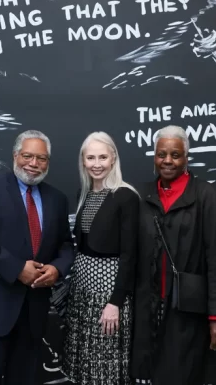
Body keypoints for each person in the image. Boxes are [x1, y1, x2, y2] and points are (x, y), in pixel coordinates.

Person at [0, 130, 75, 385]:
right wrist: (16, 268)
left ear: (48, 162)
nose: (33, 164)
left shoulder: (57, 199)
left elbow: (66, 245)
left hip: (33, 310)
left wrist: (57, 269)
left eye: (41, 159)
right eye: (27, 156)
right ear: (15, 155)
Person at [131, 125, 216, 385]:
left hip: (187, 311)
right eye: (161, 154)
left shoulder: (207, 196)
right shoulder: (140, 197)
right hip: (146, 309)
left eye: (175, 155)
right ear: (154, 157)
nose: (167, 161)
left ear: (186, 158)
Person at [60, 132, 139, 385]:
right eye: (90, 157)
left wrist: (115, 302)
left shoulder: (125, 196)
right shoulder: (83, 194)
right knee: (84, 363)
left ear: (113, 158)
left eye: (103, 157)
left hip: (108, 293)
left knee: (105, 366)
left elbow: (130, 255)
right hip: (82, 292)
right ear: (83, 160)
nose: (97, 163)